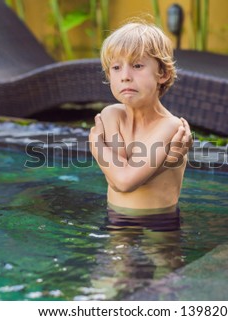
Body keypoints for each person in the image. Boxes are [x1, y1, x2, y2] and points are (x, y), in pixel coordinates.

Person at [89, 20, 192, 231]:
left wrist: (96, 146)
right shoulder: (111, 115)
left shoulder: (170, 126)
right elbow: (119, 179)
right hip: (115, 216)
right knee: (116, 263)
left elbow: (125, 181)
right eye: (116, 68)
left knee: (165, 262)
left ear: (162, 74)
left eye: (137, 65)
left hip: (160, 221)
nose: (125, 76)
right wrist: (166, 162)